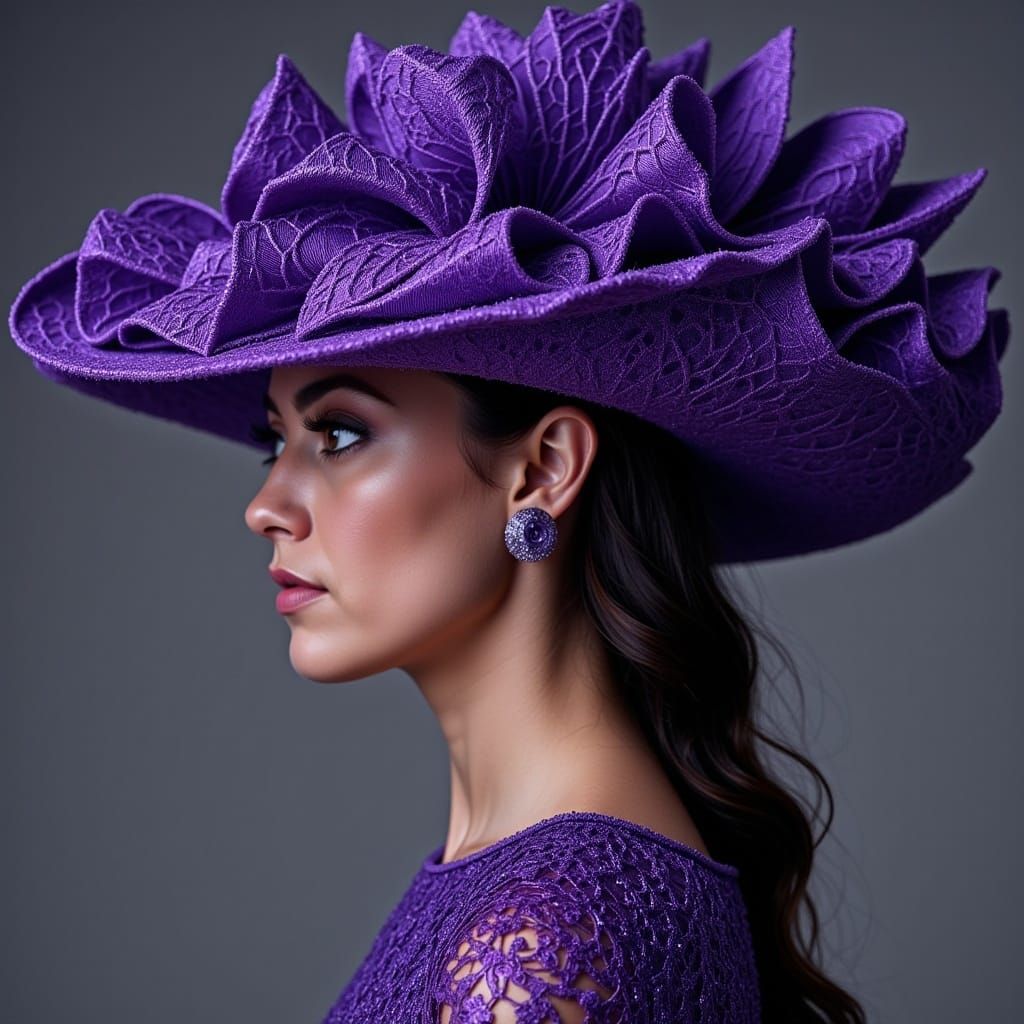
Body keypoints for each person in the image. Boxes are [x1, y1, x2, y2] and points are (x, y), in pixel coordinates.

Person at [7, 0, 1010, 1021]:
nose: (268, 505)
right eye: (278, 441)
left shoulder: (544, 938)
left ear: (542, 469)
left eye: (339, 434)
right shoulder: (526, 876)